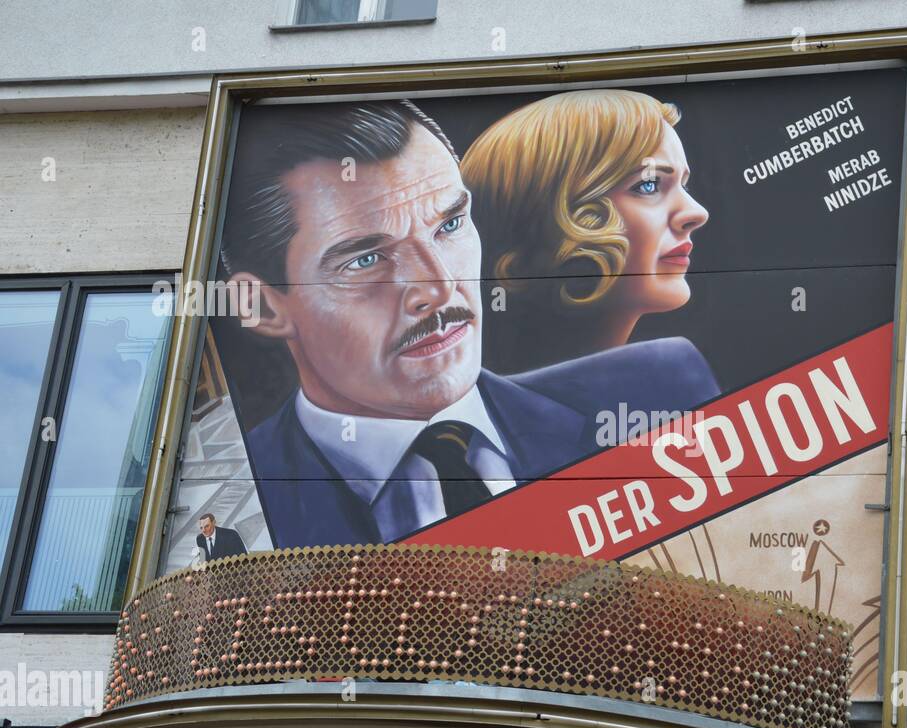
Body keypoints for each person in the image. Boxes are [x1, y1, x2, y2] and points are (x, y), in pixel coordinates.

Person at [219, 100, 719, 548]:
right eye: (366, 259)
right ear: (262, 307)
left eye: (451, 225)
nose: (438, 289)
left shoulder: (664, 392)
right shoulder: (237, 506)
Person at [461, 90, 709, 373]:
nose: (696, 213)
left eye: (683, 186)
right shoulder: (672, 374)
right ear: (542, 215)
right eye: (648, 185)